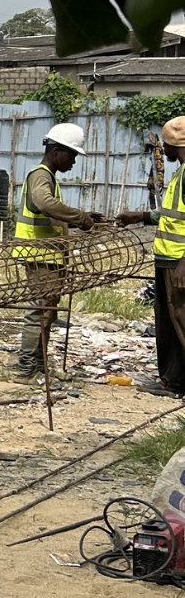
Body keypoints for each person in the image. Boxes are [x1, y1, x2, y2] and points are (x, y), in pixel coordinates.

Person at [11, 122, 101, 385]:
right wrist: (79, 217)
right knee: (39, 312)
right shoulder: (40, 176)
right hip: (39, 256)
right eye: (71, 155)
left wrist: (75, 220)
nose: (73, 161)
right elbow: (44, 204)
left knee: (47, 312)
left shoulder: (49, 177)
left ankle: (39, 367)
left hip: (48, 257)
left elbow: (49, 216)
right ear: (56, 151)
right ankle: (27, 370)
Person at [118, 117, 185, 396]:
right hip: (167, 259)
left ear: (174, 145)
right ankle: (173, 380)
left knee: (181, 321)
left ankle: (176, 381)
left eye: (165, 146)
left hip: (177, 262)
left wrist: (184, 263)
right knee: (169, 324)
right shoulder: (181, 174)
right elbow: (172, 214)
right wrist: (142, 216)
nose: (163, 151)